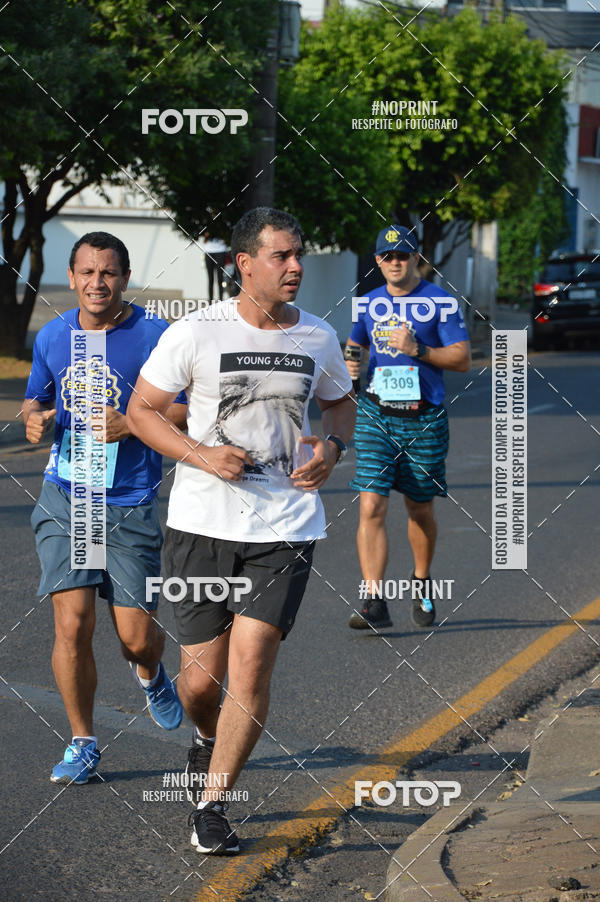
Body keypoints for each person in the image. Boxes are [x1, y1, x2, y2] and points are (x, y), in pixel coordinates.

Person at [126, 207, 355, 855]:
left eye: (298, 254)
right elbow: (141, 412)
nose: (296, 266)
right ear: (243, 264)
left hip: (284, 527)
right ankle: (206, 738)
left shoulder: (317, 336)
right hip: (200, 525)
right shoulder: (195, 332)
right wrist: (202, 455)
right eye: (280, 256)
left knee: (251, 661)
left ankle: (213, 806)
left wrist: (332, 449)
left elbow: (340, 403)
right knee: (200, 683)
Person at [24, 231, 187, 785]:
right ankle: (83, 743)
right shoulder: (52, 335)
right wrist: (33, 417)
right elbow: (37, 395)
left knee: (134, 638)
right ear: (71, 278)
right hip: (68, 496)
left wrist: (135, 421)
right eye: (87, 272)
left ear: (124, 277)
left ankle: (152, 673)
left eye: (109, 272)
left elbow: (189, 408)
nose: (98, 283)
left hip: (128, 503)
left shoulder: (154, 335)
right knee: (72, 622)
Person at [345, 225, 471, 631]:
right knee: (370, 503)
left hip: (424, 417)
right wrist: (350, 378)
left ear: (417, 258)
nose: (395, 263)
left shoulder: (440, 301)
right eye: (387, 256)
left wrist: (420, 350)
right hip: (376, 414)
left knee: (419, 508)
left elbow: (462, 359)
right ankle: (373, 600)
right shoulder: (367, 302)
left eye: (403, 256)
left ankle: (421, 582)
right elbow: (356, 343)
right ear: (378, 261)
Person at [203, 232, 229, 302]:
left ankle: (221, 300)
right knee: (210, 279)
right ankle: (210, 301)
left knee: (220, 278)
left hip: (220, 251)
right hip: (209, 252)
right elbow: (204, 240)